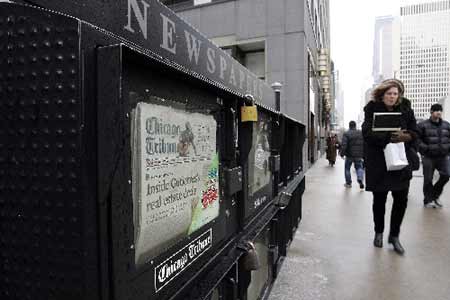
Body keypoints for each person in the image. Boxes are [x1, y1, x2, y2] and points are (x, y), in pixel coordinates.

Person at [362, 79, 418, 255]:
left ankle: (394, 236)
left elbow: (415, 132)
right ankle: (378, 232)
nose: (392, 97)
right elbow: (367, 133)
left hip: (401, 161)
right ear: (382, 94)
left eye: (395, 94)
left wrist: (405, 137)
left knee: (401, 200)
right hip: (379, 162)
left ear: (399, 95)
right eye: (389, 93)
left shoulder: (407, 110)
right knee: (379, 200)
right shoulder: (371, 110)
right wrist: (388, 137)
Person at [417, 103, 450, 208]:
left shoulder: (446, 125)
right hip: (428, 157)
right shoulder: (422, 125)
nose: (439, 112)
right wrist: (425, 148)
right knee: (428, 179)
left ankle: (435, 195)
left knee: (446, 175)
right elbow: (417, 139)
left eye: (440, 110)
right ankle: (428, 200)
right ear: (431, 112)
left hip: (443, 156)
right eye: (436, 110)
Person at [340, 121, 364, 189]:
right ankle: (360, 178)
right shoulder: (360, 133)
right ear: (355, 126)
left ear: (349, 126)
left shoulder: (346, 133)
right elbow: (364, 143)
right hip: (359, 155)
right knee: (359, 167)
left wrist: (342, 154)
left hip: (349, 155)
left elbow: (344, 145)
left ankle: (348, 183)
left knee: (347, 168)